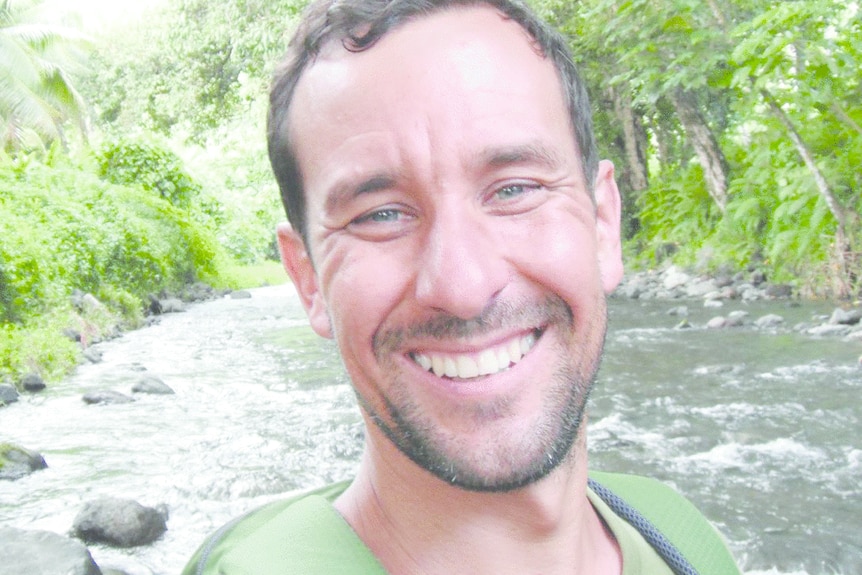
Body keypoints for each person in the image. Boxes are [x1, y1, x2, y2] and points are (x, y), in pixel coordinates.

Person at [184, 1, 741, 573]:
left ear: (603, 226)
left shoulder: (680, 538)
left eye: (514, 189)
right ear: (308, 280)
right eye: (380, 215)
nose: (462, 286)